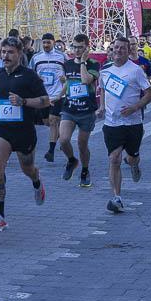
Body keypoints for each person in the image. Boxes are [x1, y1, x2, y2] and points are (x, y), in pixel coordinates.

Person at [0, 37, 51, 232]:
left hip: (24, 132)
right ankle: (0, 217)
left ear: (20, 54)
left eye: (10, 52)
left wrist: (24, 102)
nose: (5, 55)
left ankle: (36, 181)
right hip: (3, 130)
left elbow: (46, 100)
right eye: (4, 52)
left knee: (28, 169)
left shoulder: (30, 76)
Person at [97, 37, 151, 214]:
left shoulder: (136, 71)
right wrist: (102, 107)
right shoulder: (105, 70)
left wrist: (135, 107)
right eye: (115, 48)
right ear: (111, 50)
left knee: (132, 157)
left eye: (122, 48)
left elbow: (149, 94)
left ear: (129, 51)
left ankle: (134, 163)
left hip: (133, 123)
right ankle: (117, 197)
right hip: (112, 123)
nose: (118, 51)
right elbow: (104, 89)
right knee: (114, 158)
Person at [57, 34, 100, 189]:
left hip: (86, 110)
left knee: (82, 144)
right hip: (69, 108)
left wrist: (82, 62)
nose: (76, 50)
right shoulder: (67, 64)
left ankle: (85, 170)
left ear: (87, 47)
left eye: (80, 47)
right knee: (63, 139)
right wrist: (58, 96)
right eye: (74, 46)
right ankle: (71, 160)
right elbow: (69, 83)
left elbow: (86, 80)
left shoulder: (94, 64)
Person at [30, 33, 67, 163]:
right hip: (43, 96)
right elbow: (31, 73)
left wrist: (65, 79)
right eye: (44, 42)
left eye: (48, 42)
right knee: (47, 122)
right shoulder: (36, 58)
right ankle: (63, 137)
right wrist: (35, 79)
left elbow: (70, 71)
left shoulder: (62, 57)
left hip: (58, 95)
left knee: (52, 121)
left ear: (53, 43)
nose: (46, 45)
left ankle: (51, 151)